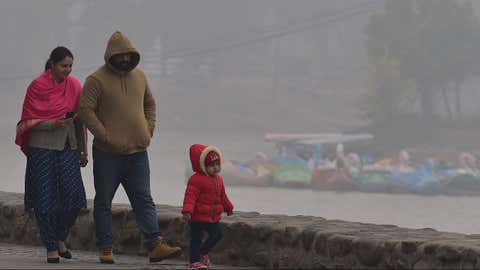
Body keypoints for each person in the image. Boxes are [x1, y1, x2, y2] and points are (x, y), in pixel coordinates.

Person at [78, 31, 181, 264]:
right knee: (104, 201)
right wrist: (104, 135)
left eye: (128, 55)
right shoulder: (96, 80)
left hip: (138, 153)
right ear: (110, 55)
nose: (124, 59)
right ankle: (105, 248)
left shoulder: (140, 77)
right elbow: (85, 110)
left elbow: (150, 104)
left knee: (144, 199)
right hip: (107, 154)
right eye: (120, 55)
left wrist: (148, 128)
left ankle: (154, 245)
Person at [15, 46, 88, 263]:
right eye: (64, 66)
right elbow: (26, 123)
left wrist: (83, 150)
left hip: (68, 146)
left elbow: (79, 120)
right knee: (45, 199)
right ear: (53, 64)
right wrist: (51, 124)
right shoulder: (37, 86)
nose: (68, 70)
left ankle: (59, 237)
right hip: (42, 148)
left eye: (70, 66)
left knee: (74, 199)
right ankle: (51, 247)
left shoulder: (74, 85)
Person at [182, 144, 234, 269]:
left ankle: (203, 252)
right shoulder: (196, 180)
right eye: (212, 166)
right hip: (197, 216)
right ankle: (194, 262)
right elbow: (190, 197)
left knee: (217, 234)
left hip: (212, 216)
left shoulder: (219, 179)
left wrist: (228, 207)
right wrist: (187, 211)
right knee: (196, 239)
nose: (215, 168)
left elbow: (222, 196)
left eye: (217, 165)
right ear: (203, 166)